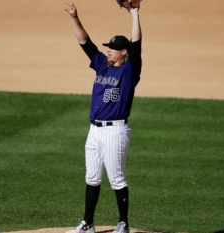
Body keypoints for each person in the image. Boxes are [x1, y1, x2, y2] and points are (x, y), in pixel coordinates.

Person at [64, 1, 142, 233]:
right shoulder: (102, 65)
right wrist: (75, 18)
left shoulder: (128, 72)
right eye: (108, 47)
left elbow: (137, 43)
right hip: (95, 130)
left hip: (115, 130)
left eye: (113, 48)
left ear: (124, 51)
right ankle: (88, 223)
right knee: (92, 177)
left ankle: (123, 224)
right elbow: (84, 42)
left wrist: (135, 14)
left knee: (117, 179)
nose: (108, 49)